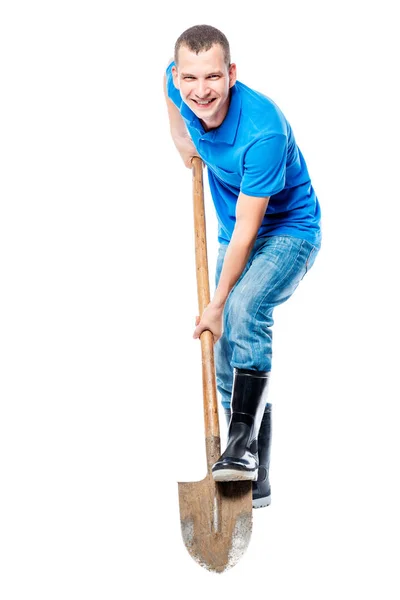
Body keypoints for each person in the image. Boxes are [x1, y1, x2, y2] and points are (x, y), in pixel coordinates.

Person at [164, 24, 321, 509]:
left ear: (232, 74)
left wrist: (215, 305)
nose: (200, 90)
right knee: (226, 349)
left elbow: (251, 232)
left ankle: (240, 448)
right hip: (237, 232)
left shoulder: (263, 132)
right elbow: (167, 87)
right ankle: (255, 472)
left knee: (241, 309)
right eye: (190, 78)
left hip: (288, 232)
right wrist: (182, 142)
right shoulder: (178, 83)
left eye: (213, 76)